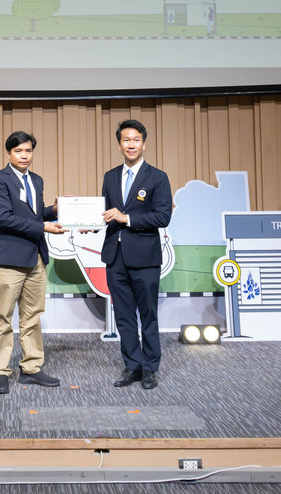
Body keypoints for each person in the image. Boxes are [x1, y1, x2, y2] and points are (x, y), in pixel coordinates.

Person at [0, 131, 65, 394]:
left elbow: (33, 214)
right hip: (9, 260)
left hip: (36, 258)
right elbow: (5, 218)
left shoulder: (37, 180)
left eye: (28, 151)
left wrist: (53, 211)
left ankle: (31, 367)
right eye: (18, 151)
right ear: (8, 153)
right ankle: (0, 370)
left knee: (32, 316)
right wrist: (43, 226)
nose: (24, 156)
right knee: (3, 317)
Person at [101, 119, 172, 390]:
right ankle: (132, 365)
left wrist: (126, 218)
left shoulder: (158, 177)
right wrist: (87, 223)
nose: (131, 144)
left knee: (148, 315)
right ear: (119, 145)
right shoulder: (110, 176)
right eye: (126, 140)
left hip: (145, 259)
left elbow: (163, 216)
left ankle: (150, 368)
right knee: (124, 316)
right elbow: (107, 214)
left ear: (144, 144)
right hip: (115, 257)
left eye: (136, 140)